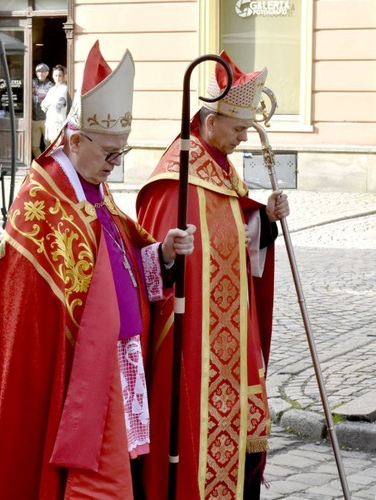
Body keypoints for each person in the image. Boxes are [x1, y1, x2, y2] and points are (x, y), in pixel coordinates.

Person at [0, 41, 195, 499]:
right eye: (109, 154)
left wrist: (161, 254)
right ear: (76, 139)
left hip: (117, 363)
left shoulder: (95, 190)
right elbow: (31, 313)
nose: (114, 166)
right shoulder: (40, 202)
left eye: (122, 154)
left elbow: (122, 263)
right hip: (69, 377)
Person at [135, 51, 290, 500]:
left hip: (230, 341)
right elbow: (157, 261)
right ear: (207, 123)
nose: (243, 138)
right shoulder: (175, 179)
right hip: (193, 349)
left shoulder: (221, 169)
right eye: (238, 128)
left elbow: (240, 235)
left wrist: (265, 220)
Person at [40, 64, 69, 145]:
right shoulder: (51, 89)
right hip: (51, 120)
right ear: (53, 76)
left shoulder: (65, 88)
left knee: (59, 145)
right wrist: (49, 104)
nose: (58, 78)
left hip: (59, 120)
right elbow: (43, 104)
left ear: (63, 76)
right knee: (52, 144)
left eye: (60, 75)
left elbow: (58, 104)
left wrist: (50, 103)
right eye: (56, 75)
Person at [31, 62, 53, 158]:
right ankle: (40, 162)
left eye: (43, 71)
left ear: (47, 73)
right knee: (34, 146)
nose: (40, 73)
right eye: (38, 71)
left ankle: (47, 164)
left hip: (46, 119)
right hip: (34, 119)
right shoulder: (32, 82)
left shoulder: (50, 85)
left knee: (48, 144)